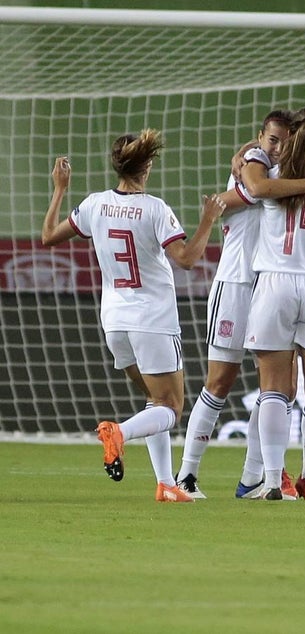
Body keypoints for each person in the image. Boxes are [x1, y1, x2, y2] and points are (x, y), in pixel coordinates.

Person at [40, 131, 225, 502]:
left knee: (155, 403)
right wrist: (208, 219)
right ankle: (119, 433)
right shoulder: (155, 208)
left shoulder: (94, 205)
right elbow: (187, 259)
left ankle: (166, 485)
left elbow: (47, 237)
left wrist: (60, 189)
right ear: (148, 165)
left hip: (114, 322)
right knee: (172, 407)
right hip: (152, 321)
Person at [173, 110, 305, 500]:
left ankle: (253, 480)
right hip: (236, 283)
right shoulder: (255, 170)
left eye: (285, 141)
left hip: (271, 287)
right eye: (272, 140)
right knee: (219, 382)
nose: (277, 148)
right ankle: (186, 475)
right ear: (260, 138)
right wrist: (252, 159)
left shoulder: (285, 177)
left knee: (280, 389)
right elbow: (252, 190)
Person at [230, 106, 305, 501]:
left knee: (274, 391)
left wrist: (247, 153)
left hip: (274, 285)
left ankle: (269, 481)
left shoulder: (271, 177)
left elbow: (252, 187)